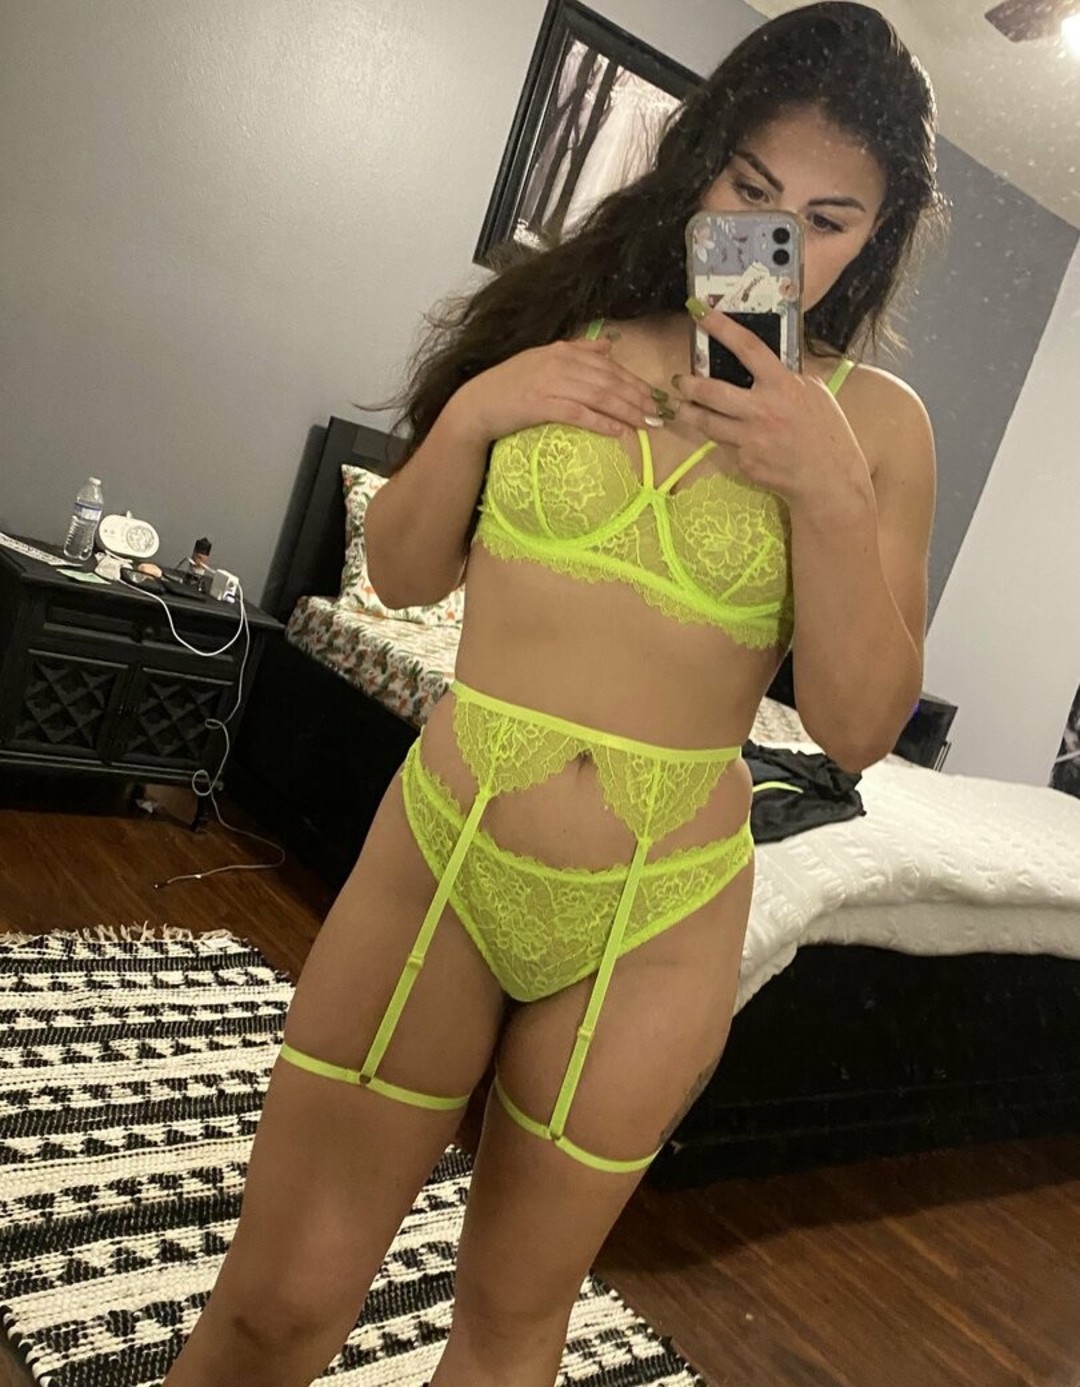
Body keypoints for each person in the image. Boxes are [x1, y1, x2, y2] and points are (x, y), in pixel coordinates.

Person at [164, 4, 943, 1384]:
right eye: (751, 188)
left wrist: (823, 491)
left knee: (512, 1332)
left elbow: (857, 728)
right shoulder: (554, 321)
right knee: (275, 1304)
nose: (777, 238)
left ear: (872, 238)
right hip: (447, 849)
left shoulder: (874, 431)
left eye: (829, 220)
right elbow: (401, 575)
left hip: (661, 912)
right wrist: (482, 409)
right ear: (703, 160)